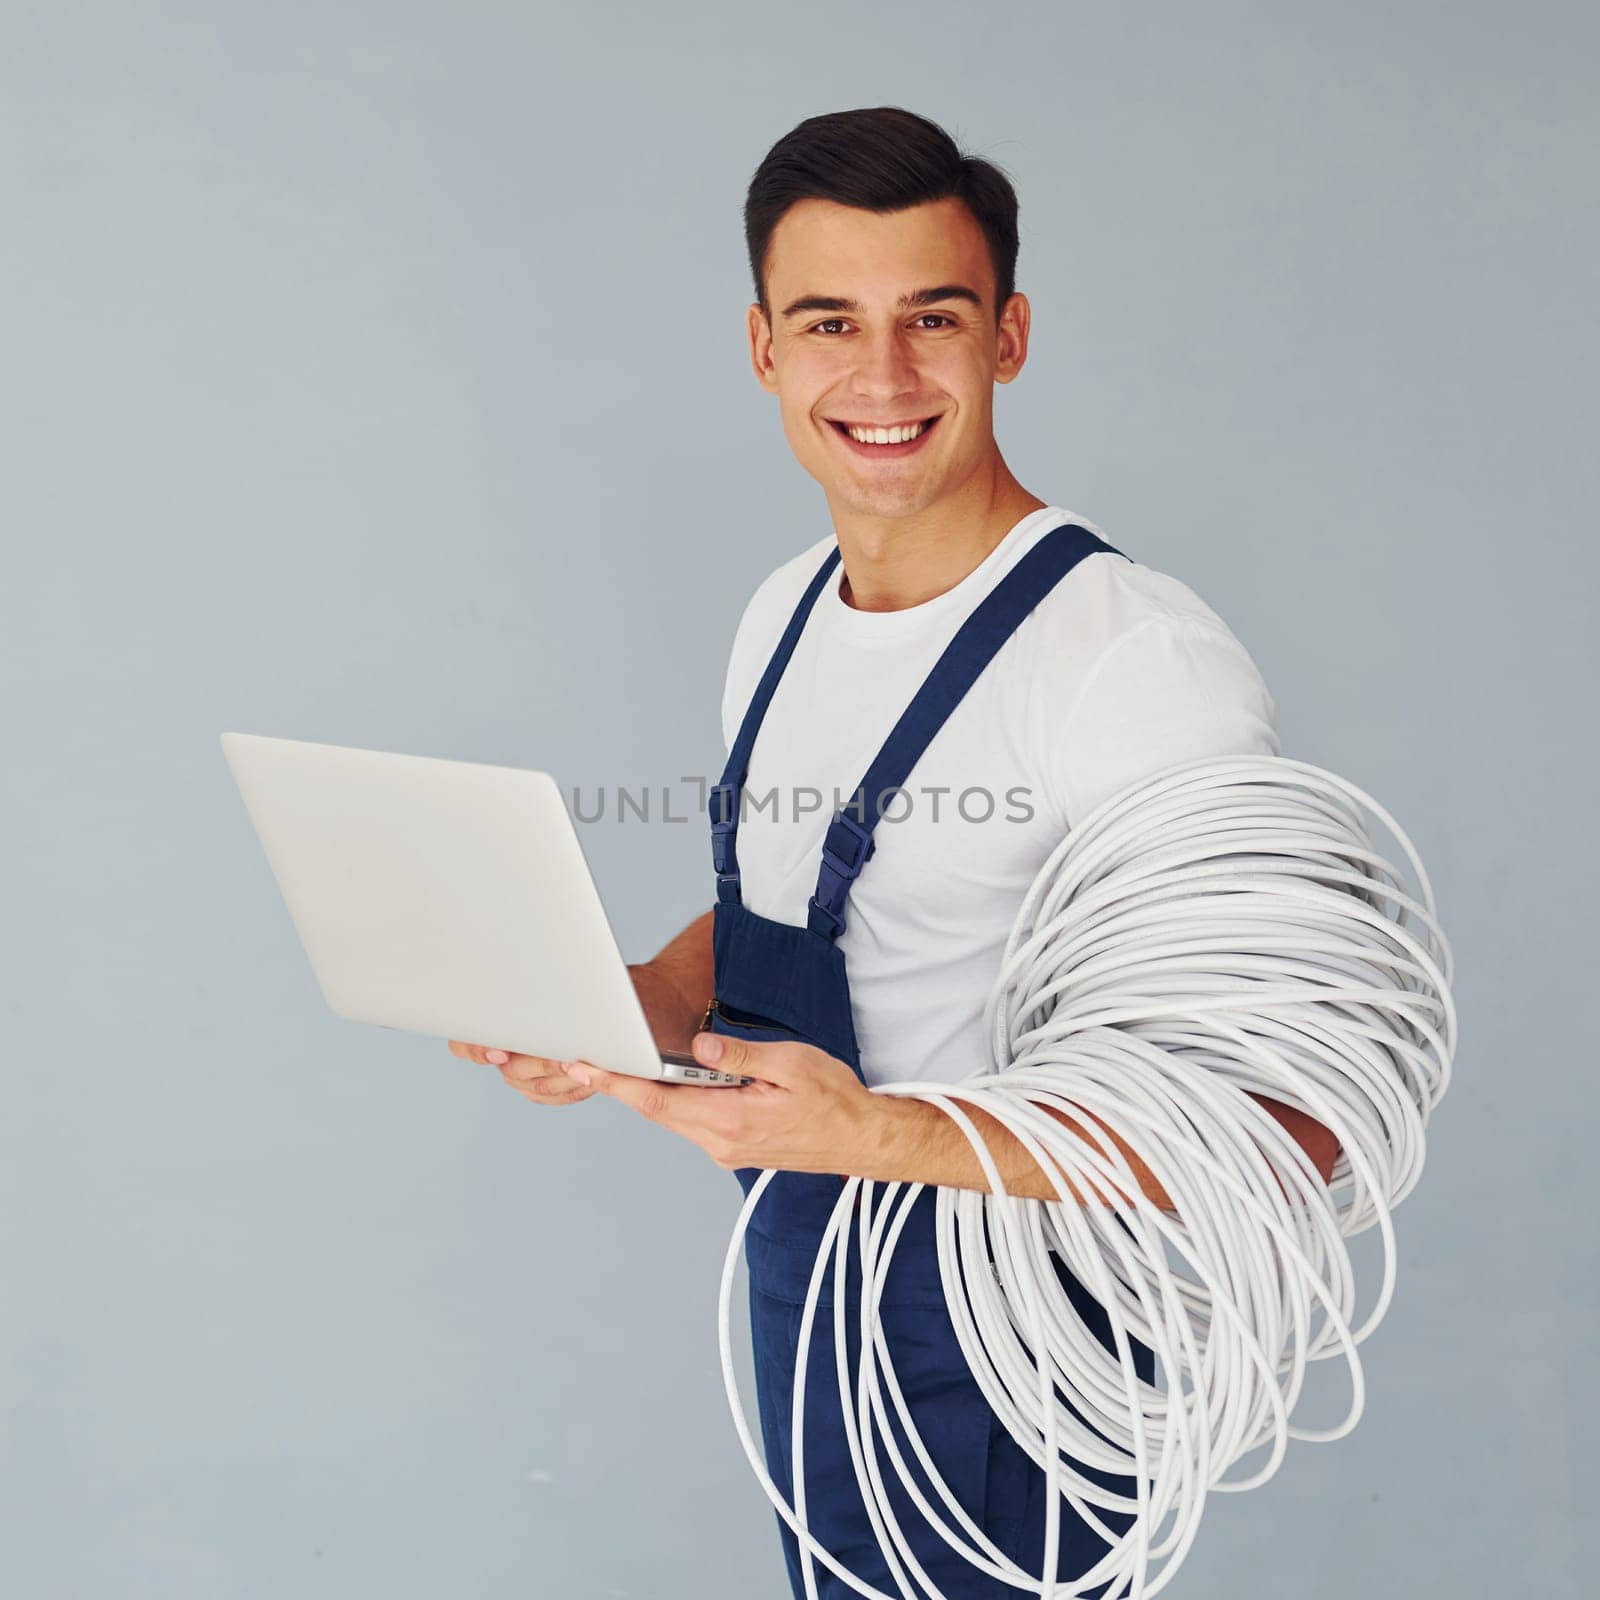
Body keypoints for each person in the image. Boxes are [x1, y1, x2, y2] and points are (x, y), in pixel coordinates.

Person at [451, 105, 1339, 1598]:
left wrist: (872, 1139)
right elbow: (788, 917)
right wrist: (639, 1004)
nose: (881, 376)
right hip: (812, 1312)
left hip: (1014, 1358)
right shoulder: (785, 612)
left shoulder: (1126, 662)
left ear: (1010, 336)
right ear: (763, 351)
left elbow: (1285, 1126)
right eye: (829, 322)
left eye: (933, 317)